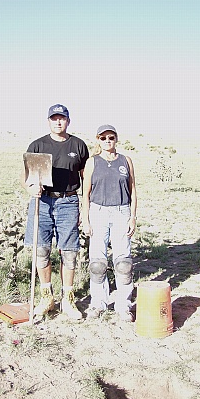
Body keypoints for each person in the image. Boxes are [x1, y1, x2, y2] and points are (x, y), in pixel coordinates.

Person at [23, 104, 89, 319]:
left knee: (69, 252)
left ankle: (68, 300)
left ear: (68, 121)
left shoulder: (78, 145)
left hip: (68, 201)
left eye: (62, 118)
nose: (58, 122)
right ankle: (46, 297)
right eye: (54, 118)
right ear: (48, 121)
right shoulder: (37, 145)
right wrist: (31, 187)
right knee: (40, 250)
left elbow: (85, 178)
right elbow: (27, 177)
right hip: (42, 203)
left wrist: (85, 205)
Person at [82, 124, 137, 321]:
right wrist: (86, 219)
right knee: (98, 263)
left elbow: (133, 191)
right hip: (98, 212)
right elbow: (85, 194)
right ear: (98, 140)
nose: (107, 141)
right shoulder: (92, 162)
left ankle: (124, 305)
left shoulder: (125, 161)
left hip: (122, 211)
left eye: (111, 137)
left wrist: (132, 217)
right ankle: (98, 303)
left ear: (116, 139)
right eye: (103, 138)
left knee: (123, 263)